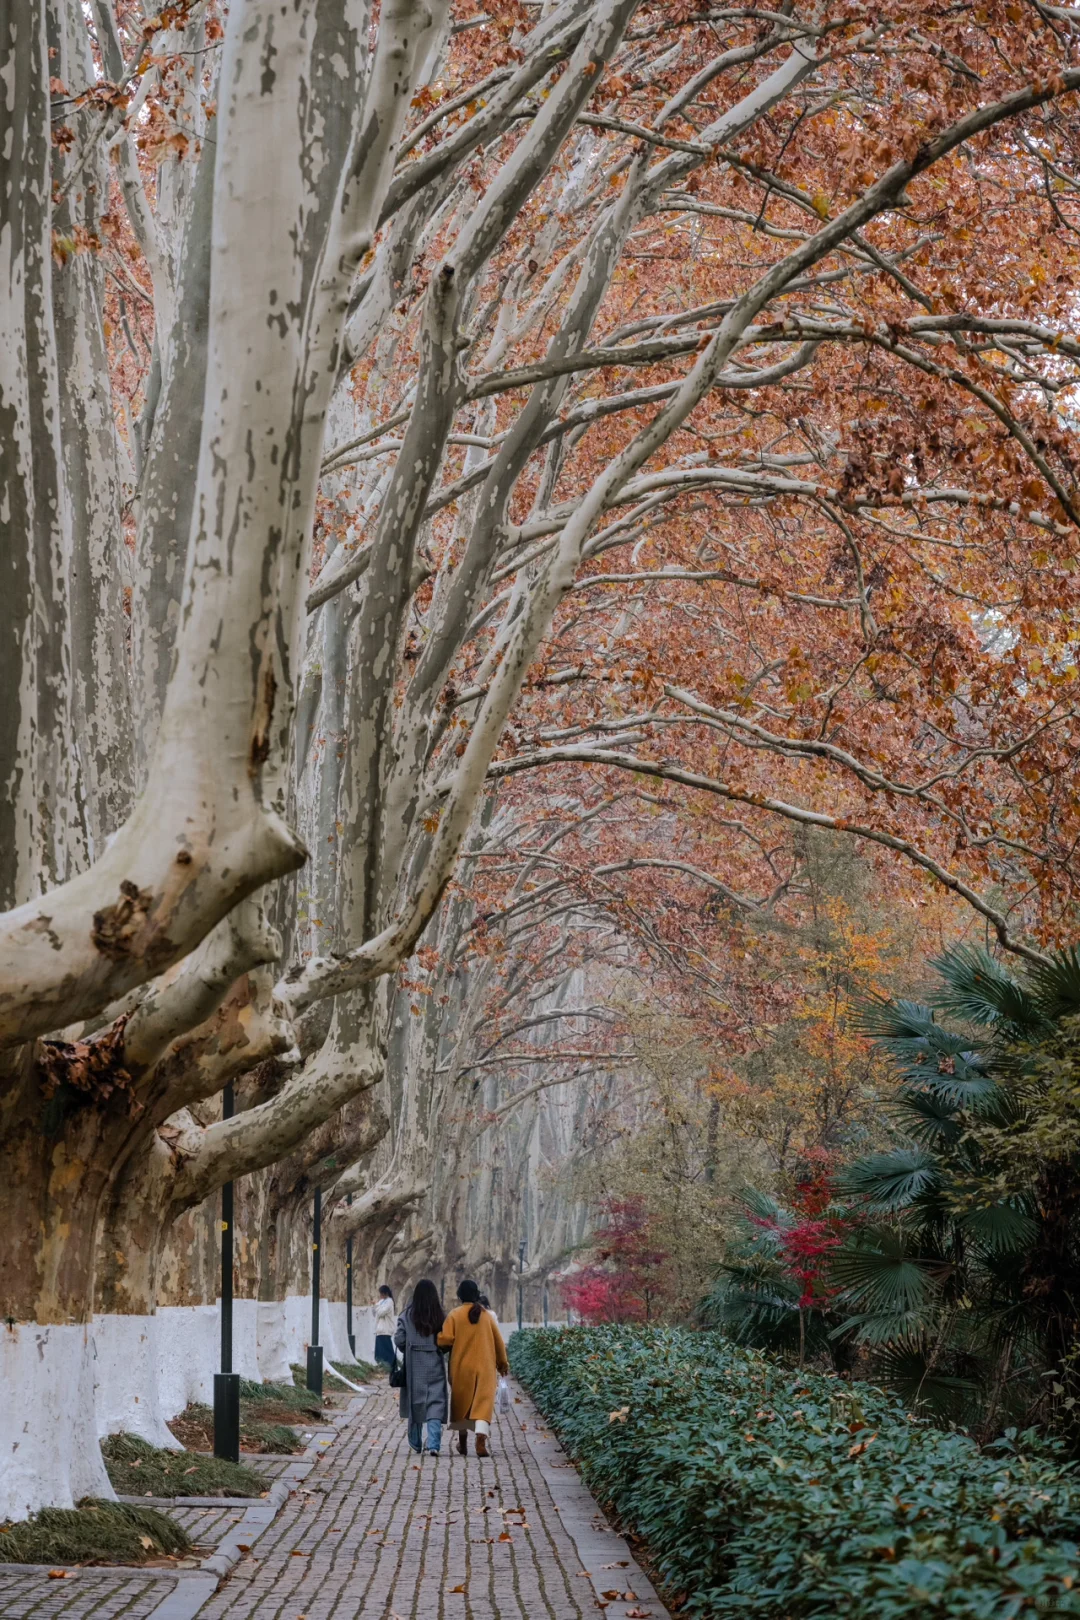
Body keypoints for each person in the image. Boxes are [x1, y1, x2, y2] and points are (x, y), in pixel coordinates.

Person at [437, 1279, 509, 1457]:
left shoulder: (454, 1315)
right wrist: (502, 1365)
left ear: (459, 1295)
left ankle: (462, 1444)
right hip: (485, 1367)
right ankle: (480, 1441)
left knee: (462, 1403)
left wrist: (437, 1339)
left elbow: (445, 1340)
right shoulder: (486, 1316)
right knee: (483, 1404)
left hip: (462, 1367)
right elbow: (499, 1343)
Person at [393, 1279, 448, 1456]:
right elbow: (447, 1340)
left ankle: (415, 1441)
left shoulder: (406, 1315)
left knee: (415, 1402)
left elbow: (399, 1339)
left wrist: (408, 1348)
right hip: (435, 1365)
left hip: (414, 1366)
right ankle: (434, 1444)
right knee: (435, 1403)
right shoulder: (441, 1316)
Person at [373, 1284, 396, 1371]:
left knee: (387, 1350)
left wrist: (376, 1306)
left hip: (386, 1330)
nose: (380, 1295)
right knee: (380, 1351)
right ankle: (383, 1366)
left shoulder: (389, 1302)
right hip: (380, 1330)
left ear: (385, 1293)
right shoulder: (381, 1302)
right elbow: (375, 1312)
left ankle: (392, 1367)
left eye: (381, 1293)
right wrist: (376, 1306)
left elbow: (381, 1313)